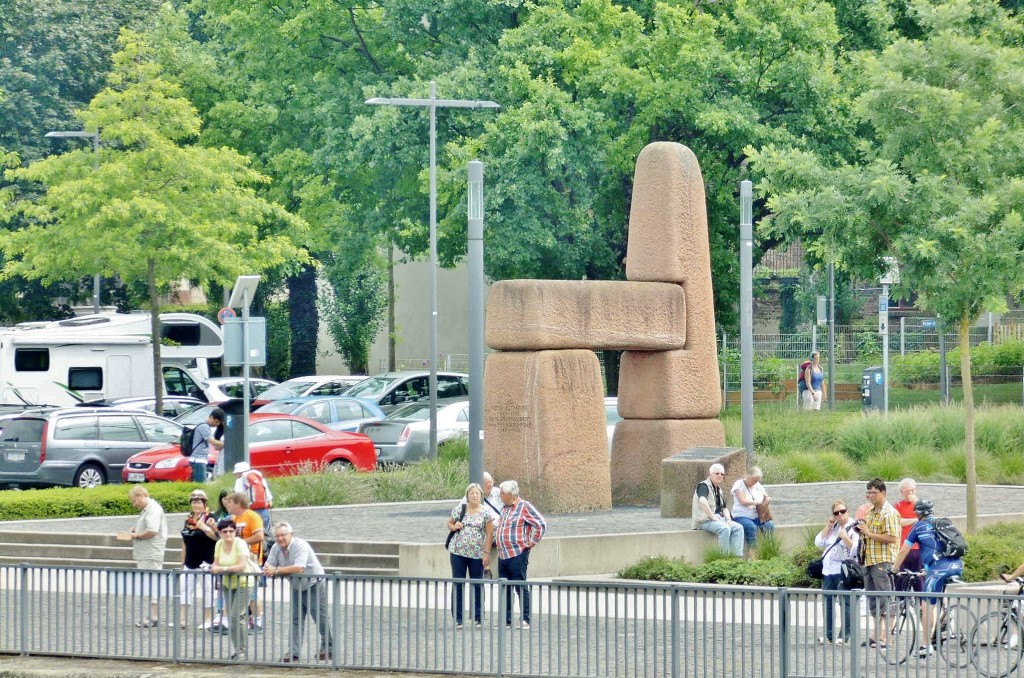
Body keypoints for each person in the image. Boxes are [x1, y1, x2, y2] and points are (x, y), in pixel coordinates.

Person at [893, 500, 964, 658]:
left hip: (939, 569)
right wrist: (926, 570)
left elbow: (904, 549)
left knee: (926, 606)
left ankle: (926, 645)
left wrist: (894, 569)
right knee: (936, 597)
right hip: (956, 565)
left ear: (917, 514)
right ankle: (945, 619)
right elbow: (937, 548)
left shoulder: (918, 526)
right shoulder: (942, 523)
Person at [264, 522, 334, 663]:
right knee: (296, 619)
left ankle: (328, 647)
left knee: (320, 617)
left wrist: (276, 571)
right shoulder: (276, 548)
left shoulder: (301, 545)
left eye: (283, 535)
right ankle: (293, 652)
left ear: (291, 534)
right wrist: (269, 569)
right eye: (277, 536)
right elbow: (268, 565)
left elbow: (299, 568)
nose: (280, 538)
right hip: (296, 585)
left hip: (314, 583)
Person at [496, 480, 546, 630]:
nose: (500, 495)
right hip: (502, 554)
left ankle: (525, 619)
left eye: (502, 493)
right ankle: (506, 620)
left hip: (517, 553)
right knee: (504, 588)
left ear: (511, 494)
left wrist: (532, 541)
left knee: (520, 586)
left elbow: (540, 523)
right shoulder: (504, 508)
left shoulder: (524, 506)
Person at [857, 477, 901, 647]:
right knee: (873, 600)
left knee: (885, 599)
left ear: (883, 493)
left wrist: (868, 532)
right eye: (868, 492)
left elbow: (892, 538)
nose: (870, 496)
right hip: (869, 561)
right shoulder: (870, 512)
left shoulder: (889, 513)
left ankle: (887, 637)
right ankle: (875, 635)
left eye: (873, 492)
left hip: (883, 561)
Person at [447, 483, 494, 629]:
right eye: (472, 493)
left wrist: (486, 553)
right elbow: (449, 523)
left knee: (477, 583)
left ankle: (479, 616)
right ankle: (458, 618)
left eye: (477, 493)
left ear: (481, 496)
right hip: (458, 552)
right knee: (458, 582)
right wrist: (454, 527)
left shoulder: (486, 513)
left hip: (476, 554)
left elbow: (489, 534)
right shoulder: (460, 509)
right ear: (467, 495)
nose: (474, 496)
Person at [814, 500, 860, 644]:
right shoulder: (833, 528)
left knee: (845, 602)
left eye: (842, 511)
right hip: (828, 570)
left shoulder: (853, 528)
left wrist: (845, 537)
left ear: (848, 511)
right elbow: (818, 542)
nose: (840, 515)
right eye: (836, 513)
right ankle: (829, 635)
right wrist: (828, 526)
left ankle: (845, 635)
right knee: (827, 602)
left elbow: (856, 550)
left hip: (843, 569)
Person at [211, 517, 252, 661]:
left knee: (237, 616)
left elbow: (241, 565)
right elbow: (215, 563)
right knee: (232, 618)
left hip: (243, 582)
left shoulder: (240, 544)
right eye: (225, 531)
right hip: (227, 584)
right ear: (220, 533)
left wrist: (222, 569)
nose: (228, 534)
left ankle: (242, 651)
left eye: (231, 531)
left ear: (235, 532)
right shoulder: (219, 544)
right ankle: (238, 649)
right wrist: (212, 568)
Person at [128, 485, 167, 628]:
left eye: (134, 501)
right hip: (146, 553)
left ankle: (153, 617)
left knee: (151, 585)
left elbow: (152, 531)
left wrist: (136, 535)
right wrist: (136, 529)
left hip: (151, 554)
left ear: (140, 496)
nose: (134, 504)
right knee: (147, 585)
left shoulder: (153, 510)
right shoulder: (148, 510)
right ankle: (150, 616)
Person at [226, 491, 265, 632]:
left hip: (252, 557)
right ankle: (247, 620)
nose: (227, 505)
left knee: (252, 591)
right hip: (239, 557)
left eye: (230, 502)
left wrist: (240, 543)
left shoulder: (252, 516)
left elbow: (260, 536)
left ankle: (258, 621)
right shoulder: (234, 518)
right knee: (242, 590)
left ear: (238, 503)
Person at [180, 489, 218, 629]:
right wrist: (182, 560)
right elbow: (184, 540)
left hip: (206, 561)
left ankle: (208, 619)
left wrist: (205, 529)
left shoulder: (210, 518)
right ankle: (182, 619)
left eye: (199, 502)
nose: (196, 505)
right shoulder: (188, 519)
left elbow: (217, 537)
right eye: (194, 502)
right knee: (184, 589)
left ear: (204, 503)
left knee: (207, 590)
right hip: (190, 561)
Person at [691, 463, 744, 557]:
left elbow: (724, 508)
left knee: (738, 528)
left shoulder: (719, 489)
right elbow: (702, 501)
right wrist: (712, 517)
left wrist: (728, 520)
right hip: (703, 520)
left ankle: (736, 559)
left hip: (718, 519)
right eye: (717, 473)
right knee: (724, 528)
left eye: (722, 474)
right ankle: (724, 558)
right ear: (710, 474)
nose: (720, 476)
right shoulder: (703, 486)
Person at [730, 466, 775, 549]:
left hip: (756, 515)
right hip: (741, 515)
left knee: (769, 525)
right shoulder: (739, 484)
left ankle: (769, 549)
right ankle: (752, 553)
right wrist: (756, 503)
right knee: (751, 527)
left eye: (757, 480)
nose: (755, 482)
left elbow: (765, 496)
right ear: (748, 476)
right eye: (753, 480)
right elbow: (742, 501)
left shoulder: (758, 485)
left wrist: (767, 499)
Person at [892, 478, 922, 590]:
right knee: (901, 579)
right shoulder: (898, 506)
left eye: (912, 490)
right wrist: (915, 520)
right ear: (901, 492)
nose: (910, 493)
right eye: (907, 491)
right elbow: (898, 522)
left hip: (918, 548)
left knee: (919, 579)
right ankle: (901, 604)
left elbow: (927, 519)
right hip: (903, 547)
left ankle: (920, 605)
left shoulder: (921, 504)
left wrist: (916, 503)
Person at [233, 461, 273, 528]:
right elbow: (270, 502)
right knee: (265, 535)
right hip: (264, 512)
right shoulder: (261, 480)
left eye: (236, 474)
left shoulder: (239, 481)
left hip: (249, 512)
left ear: (239, 473)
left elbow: (238, 498)